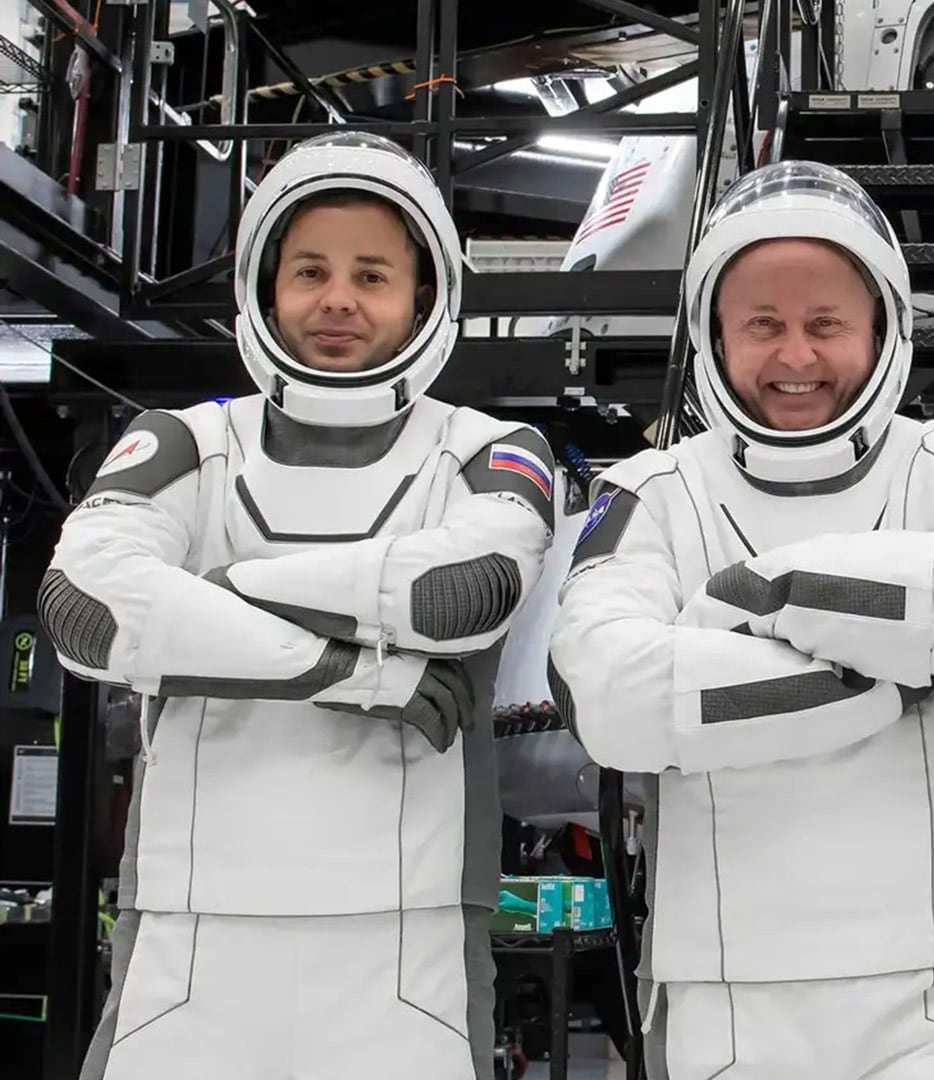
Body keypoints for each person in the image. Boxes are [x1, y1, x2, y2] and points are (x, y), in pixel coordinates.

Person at [37, 132, 557, 1080]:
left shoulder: (490, 448)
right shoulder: (187, 440)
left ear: (424, 297)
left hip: (409, 940)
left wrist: (216, 593)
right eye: (310, 270)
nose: (338, 300)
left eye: (372, 275)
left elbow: (458, 596)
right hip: (189, 931)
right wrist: (353, 672)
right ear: (265, 287)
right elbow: (86, 606)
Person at [546, 160, 934, 1080]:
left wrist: (759, 597)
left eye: (826, 324)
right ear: (714, 335)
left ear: (884, 327)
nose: (795, 359)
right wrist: (879, 670)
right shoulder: (650, 490)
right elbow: (610, 696)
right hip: (722, 998)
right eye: (763, 325)